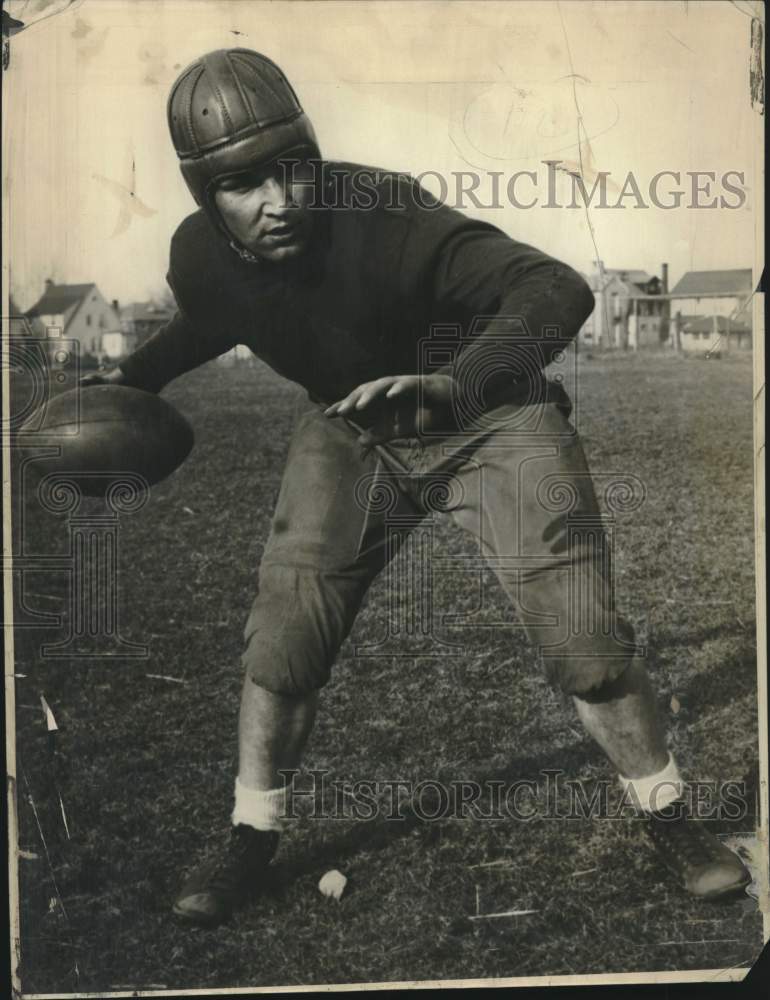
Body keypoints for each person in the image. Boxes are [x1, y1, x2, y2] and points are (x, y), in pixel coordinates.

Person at [85, 48, 750, 926]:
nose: (280, 200)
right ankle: (251, 833)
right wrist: (134, 380)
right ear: (205, 195)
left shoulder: (385, 213)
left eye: (293, 169)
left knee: (584, 641)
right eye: (244, 184)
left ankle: (668, 815)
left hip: (489, 412)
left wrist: (454, 384)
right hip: (355, 423)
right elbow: (217, 317)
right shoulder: (201, 257)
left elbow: (554, 286)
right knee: (283, 636)